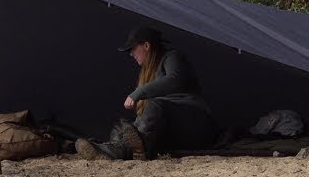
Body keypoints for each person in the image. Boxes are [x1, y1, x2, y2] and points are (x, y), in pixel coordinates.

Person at [76, 26, 218, 160]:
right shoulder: (149, 72)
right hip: (172, 131)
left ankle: (119, 151)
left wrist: (138, 93)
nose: (131, 54)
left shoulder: (172, 57)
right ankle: (114, 148)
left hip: (195, 125)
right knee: (122, 126)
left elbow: (174, 79)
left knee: (155, 104)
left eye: (133, 49)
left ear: (146, 46)